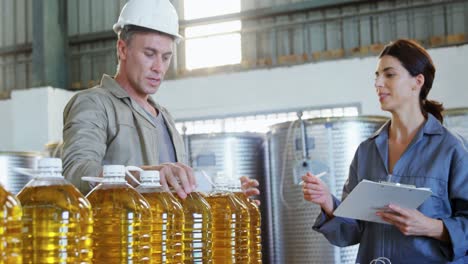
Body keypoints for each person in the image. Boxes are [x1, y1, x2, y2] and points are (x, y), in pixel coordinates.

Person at [61, 0, 259, 199]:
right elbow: (76, 174)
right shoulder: (94, 104)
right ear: (122, 49)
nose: (159, 67)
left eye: (165, 57)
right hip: (119, 229)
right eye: (149, 54)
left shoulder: (165, 117)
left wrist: (222, 195)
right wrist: (146, 175)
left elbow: (177, 192)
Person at [302, 39, 468, 263]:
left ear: (417, 82)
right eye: (377, 75)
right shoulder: (366, 151)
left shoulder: (450, 148)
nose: (378, 83)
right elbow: (352, 231)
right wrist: (328, 203)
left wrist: (431, 227)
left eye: (389, 75)